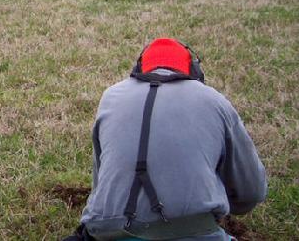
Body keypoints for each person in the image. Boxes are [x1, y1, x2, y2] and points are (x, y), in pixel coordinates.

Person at [65, 38, 267, 241]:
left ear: (140, 69)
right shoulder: (214, 101)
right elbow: (251, 192)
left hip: (108, 233)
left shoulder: (110, 97)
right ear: (194, 71)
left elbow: (101, 184)